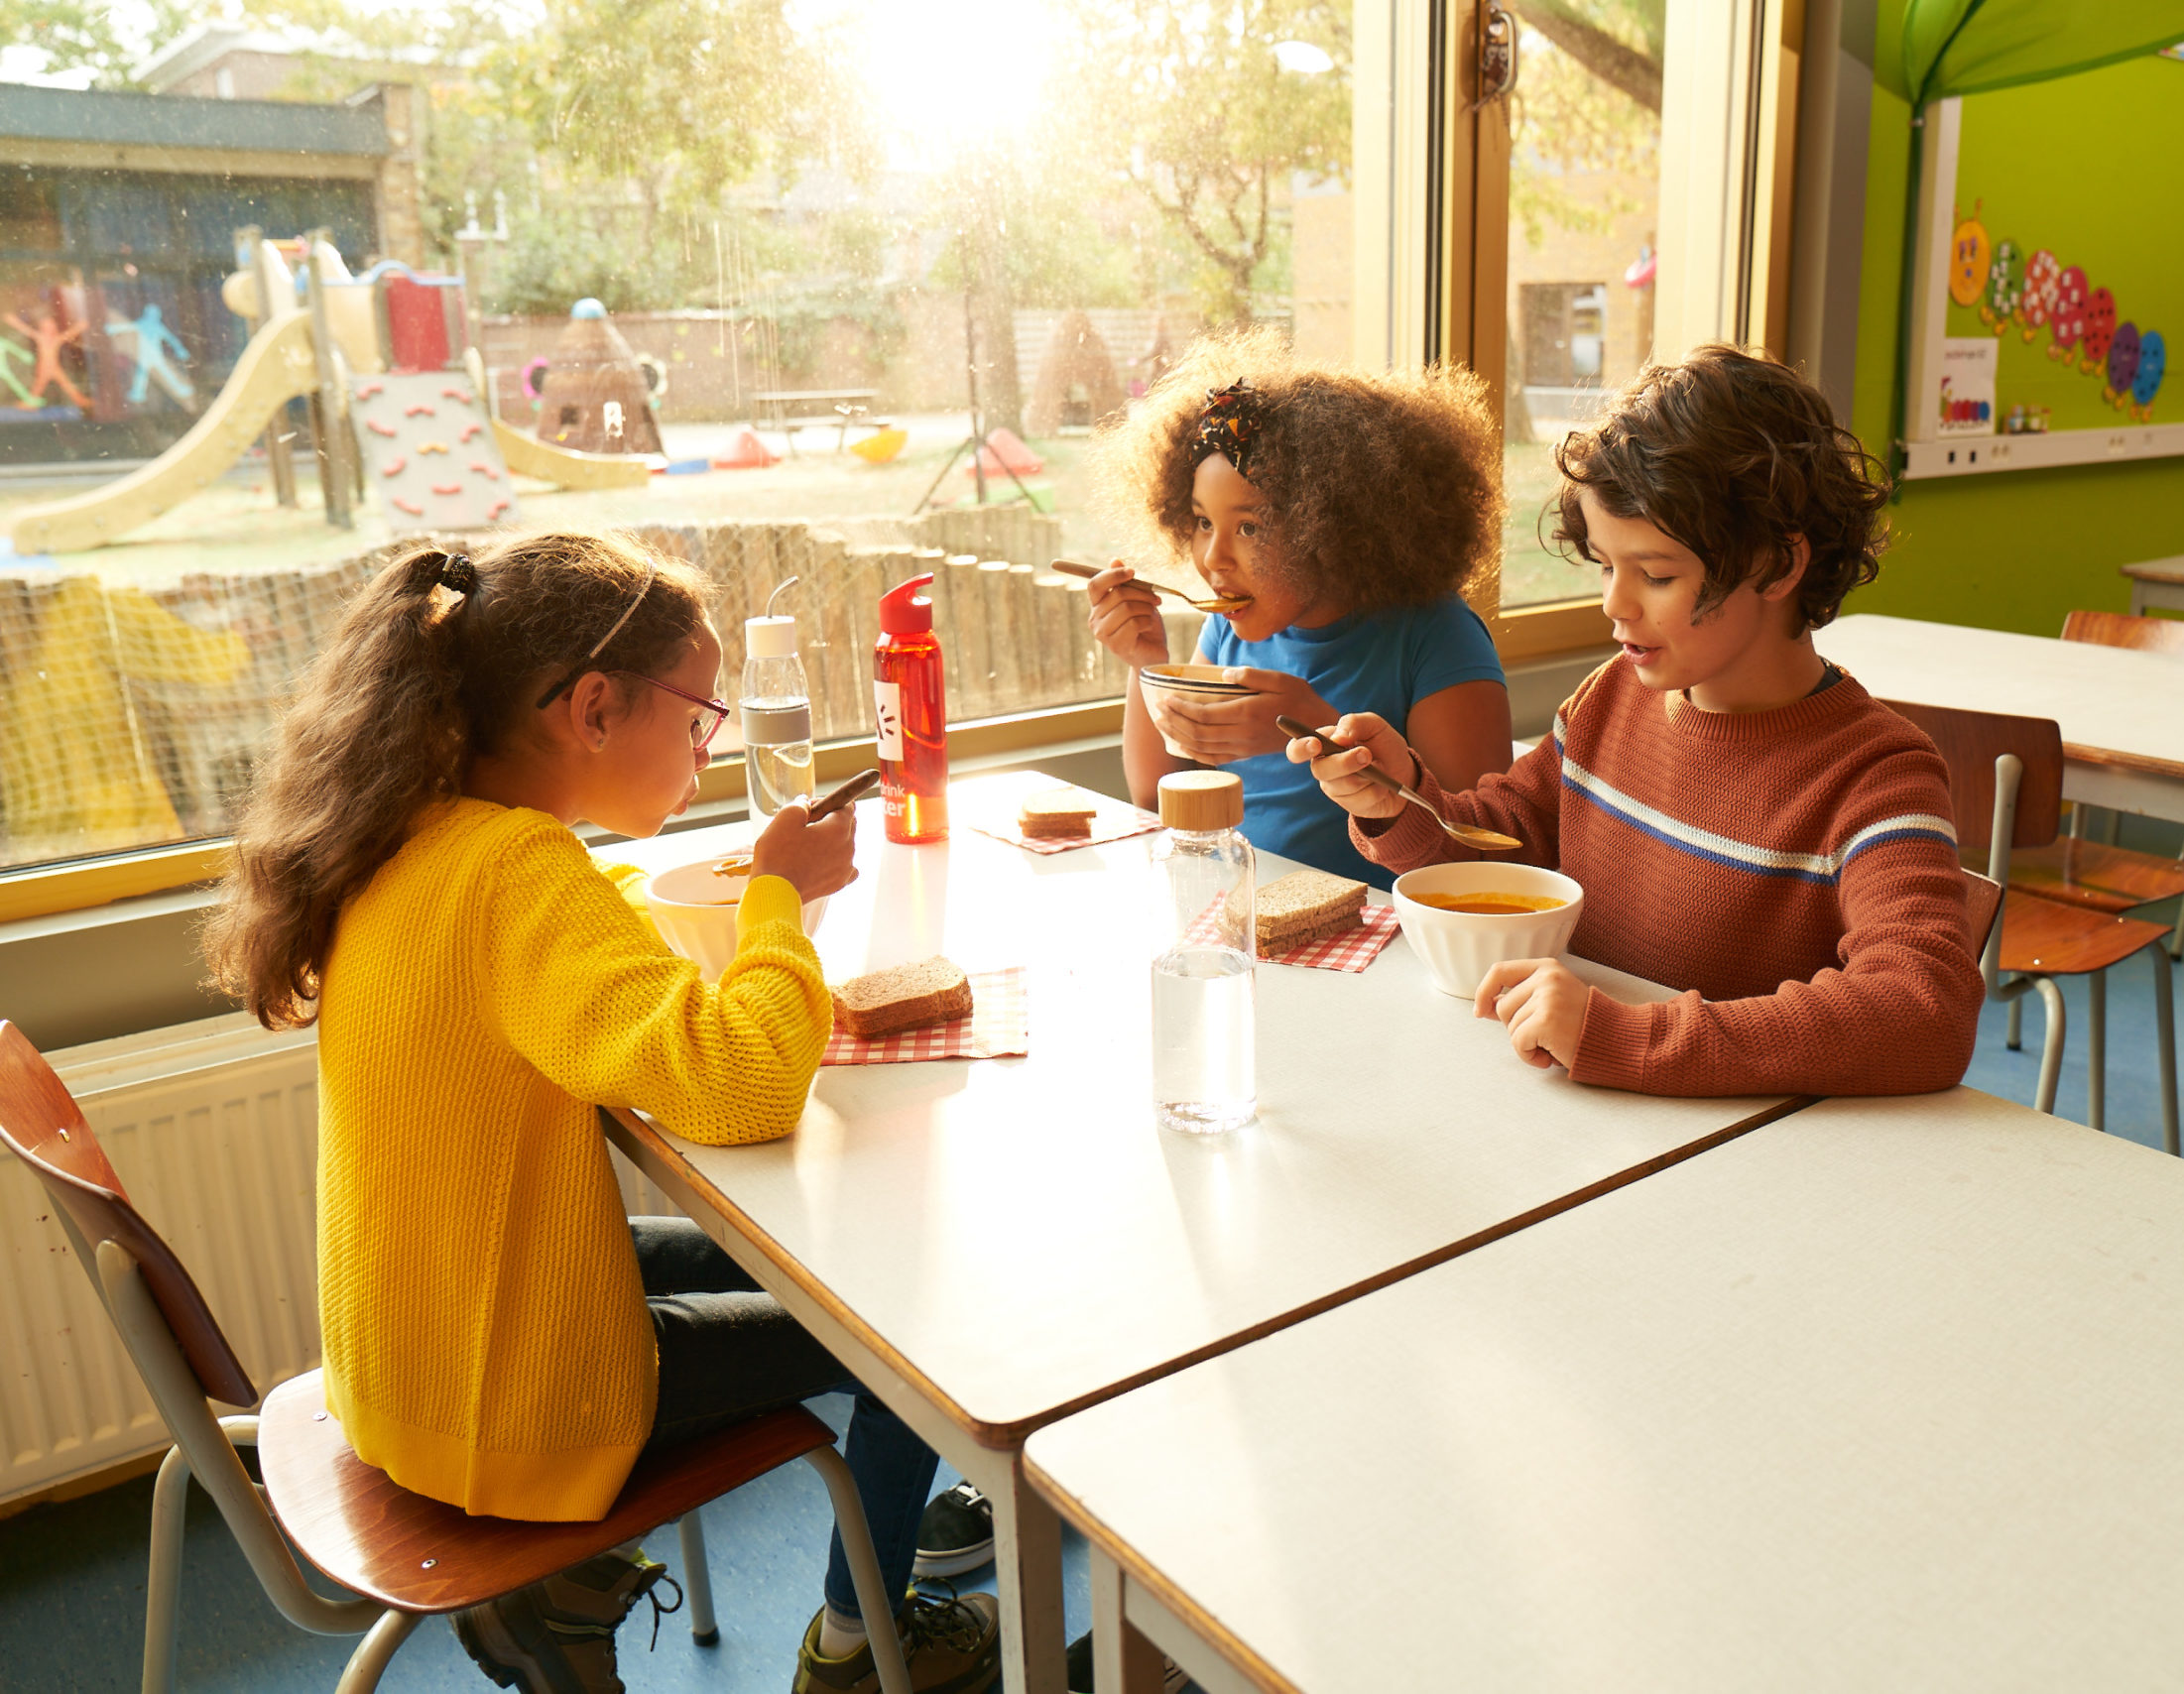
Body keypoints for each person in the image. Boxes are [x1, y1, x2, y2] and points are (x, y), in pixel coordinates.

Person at [200, 532, 997, 1694]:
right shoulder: (520, 873)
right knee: (916, 1345)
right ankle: (860, 1651)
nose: (703, 747)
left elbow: (557, 959)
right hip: (516, 1399)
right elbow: (740, 1086)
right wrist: (777, 902)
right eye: (696, 720)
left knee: (805, 1278)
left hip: (405, 1360)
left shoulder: (413, 831)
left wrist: (692, 894)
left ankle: (568, 1594)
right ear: (591, 709)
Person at [1289, 344, 1985, 1096]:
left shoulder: (1877, 776)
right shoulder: (1611, 696)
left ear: (1780, 567)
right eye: (1603, 565)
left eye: (1655, 575)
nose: (1614, 606)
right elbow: (1504, 837)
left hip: (1733, 1157)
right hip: (1584, 1115)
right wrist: (1402, 801)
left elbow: (1926, 1009)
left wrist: (1620, 1034)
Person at [1081, 326, 1515, 889]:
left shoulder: (1437, 636)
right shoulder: (1225, 629)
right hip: (1251, 917)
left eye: (1250, 527)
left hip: (1384, 946)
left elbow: (1479, 854)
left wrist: (1313, 727)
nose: (1214, 556)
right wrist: (1148, 663)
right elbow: (1159, 799)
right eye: (1203, 521)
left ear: (1334, 528)